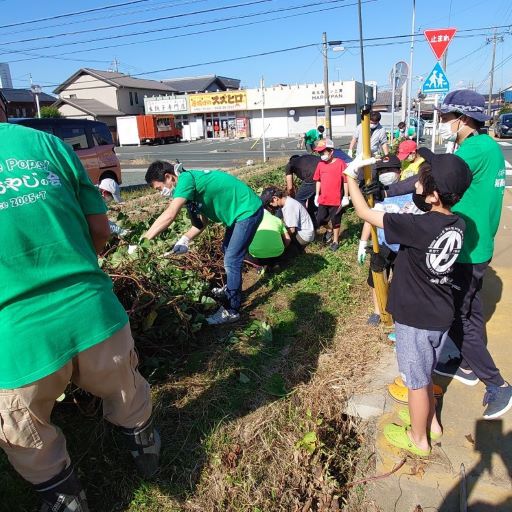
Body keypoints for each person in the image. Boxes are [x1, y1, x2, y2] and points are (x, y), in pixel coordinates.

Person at [0, 92, 158, 512]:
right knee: (127, 392)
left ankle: (66, 499)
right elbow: (100, 230)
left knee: (27, 432)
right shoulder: (45, 144)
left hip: (17, 336)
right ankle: (146, 452)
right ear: (3, 109)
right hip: (93, 311)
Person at [370, 90, 512, 419]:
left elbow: (431, 177)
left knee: (460, 319)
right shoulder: (486, 146)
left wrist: (389, 190)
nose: (443, 123)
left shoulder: (473, 150)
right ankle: (466, 367)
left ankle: (498, 385)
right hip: (478, 245)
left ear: (462, 119)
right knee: (471, 313)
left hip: (465, 251)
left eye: (447, 118)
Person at [346, 150, 473, 456]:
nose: (414, 183)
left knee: (415, 381)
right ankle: (431, 424)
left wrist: (349, 176)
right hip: (439, 313)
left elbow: (364, 212)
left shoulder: (416, 226)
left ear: (433, 196)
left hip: (415, 319)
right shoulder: (458, 222)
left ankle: (419, 439)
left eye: (420, 181)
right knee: (426, 373)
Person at [142, 161, 263, 325]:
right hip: (237, 214)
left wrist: (143, 241)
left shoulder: (185, 179)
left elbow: (170, 215)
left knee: (231, 260)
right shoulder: (190, 192)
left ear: (169, 177)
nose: (161, 193)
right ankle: (230, 289)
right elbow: (201, 223)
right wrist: (185, 239)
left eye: (159, 189)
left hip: (247, 211)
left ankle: (231, 310)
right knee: (227, 249)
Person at [313, 139, 349, 251]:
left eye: (323, 152)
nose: (321, 155)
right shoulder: (320, 165)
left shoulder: (340, 163)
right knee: (320, 219)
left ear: (331, 151)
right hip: (323, 198)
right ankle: (329, 230)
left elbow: (346, 181)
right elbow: (318, 180)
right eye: (319, 153)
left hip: (336, 199)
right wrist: (317, 194)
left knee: (336, 220)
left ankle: (335, 241)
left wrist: (346, 196)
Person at [285, 154, 321, 224]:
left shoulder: (290, 164)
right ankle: (316, 221)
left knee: (299, 200)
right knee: (312, 200)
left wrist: (292, 198)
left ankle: (304, 222)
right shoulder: (306, 157)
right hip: (325, 173)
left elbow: (290, 187)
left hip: (312, 178)